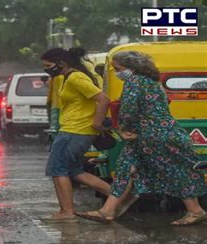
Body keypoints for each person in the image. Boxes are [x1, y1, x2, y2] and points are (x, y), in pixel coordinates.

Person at [76, 51, 207, 226]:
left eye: (118, 68)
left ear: (132, 67)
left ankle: (195, 210)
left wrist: (122, 128)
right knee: (126, 168)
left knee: (175, 171)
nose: (117, 72)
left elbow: (128, 109)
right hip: (158, 134)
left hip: (152, 136)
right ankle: (108, 211)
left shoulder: (134, 82)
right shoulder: (152, 82)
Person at [40, 48, 113, 222]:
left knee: (58, 170)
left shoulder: (75, 77)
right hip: (73, 130)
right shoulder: (66, 78)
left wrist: (97, 123)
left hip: (75, 131)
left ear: (61, 63)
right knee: (74, 171)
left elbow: (103, 99)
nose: (47, 70)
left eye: (48, 66)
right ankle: (118, 197)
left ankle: (67, 212)